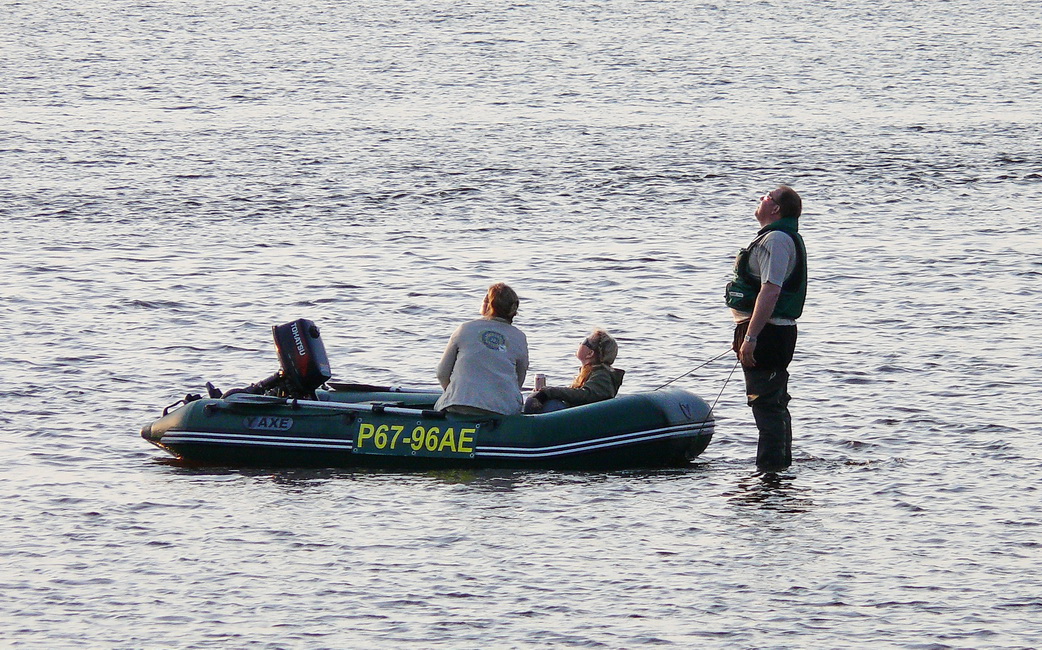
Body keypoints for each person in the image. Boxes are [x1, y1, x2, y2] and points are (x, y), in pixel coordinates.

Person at [724, 185, 807, 473]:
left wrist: (751, 337)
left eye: (767, 197)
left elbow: (771, 290)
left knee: (766, 406)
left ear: (776, 209)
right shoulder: (777, 238)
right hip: (766, 331)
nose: (761, 198)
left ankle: (770, 475)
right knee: (773, 404)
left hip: (767, 333)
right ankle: (779, 472)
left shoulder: (777, 240)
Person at [435, 283, 529, 415]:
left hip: (458, 404)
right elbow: (519, 379)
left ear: (486, 305)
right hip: (501, 409)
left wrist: (455, 392)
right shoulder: (519, 337)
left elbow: (442, 373)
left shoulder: (464, 329)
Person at [523, 329, 624, 414]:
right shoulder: (589, 372)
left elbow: (585, 395)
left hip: (587, 420)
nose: (580, 344)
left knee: (552, 405)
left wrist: (549, 392)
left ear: (590, 353)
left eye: (585, 342)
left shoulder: (602, 375)